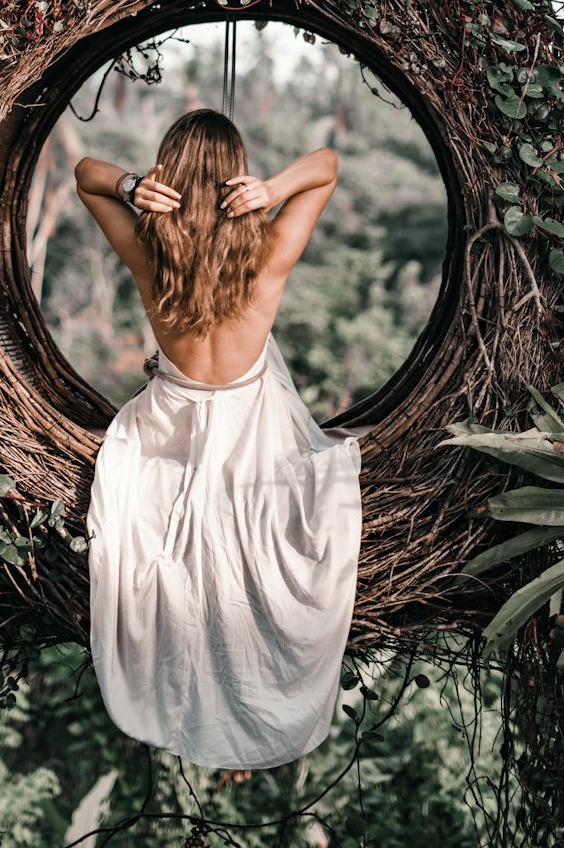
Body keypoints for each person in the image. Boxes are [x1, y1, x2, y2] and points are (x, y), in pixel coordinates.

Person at [74, 109, 362, 769]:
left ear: (165, 176)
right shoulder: (266, 256)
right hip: (252, 433)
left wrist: (128, 187)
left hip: (169, 427)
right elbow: (326, 165)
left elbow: (85, 174)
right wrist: (272, 189)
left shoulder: (150, 250)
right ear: (237, 177)